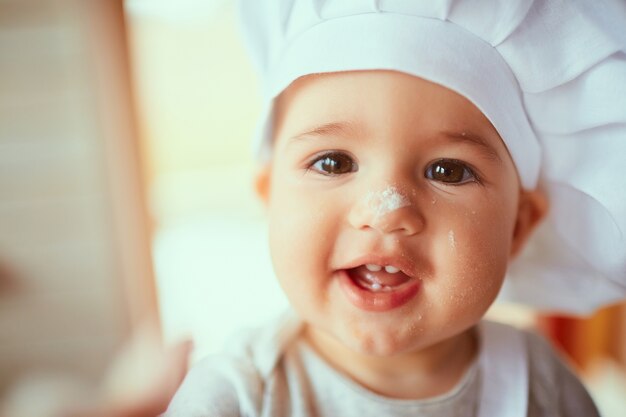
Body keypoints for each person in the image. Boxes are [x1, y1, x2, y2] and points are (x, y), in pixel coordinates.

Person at [165, 0, 626, 416]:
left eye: (447, 171)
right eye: (333, 163)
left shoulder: (543, 388)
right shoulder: (235, 398)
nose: (386, 210)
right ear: (269, 197)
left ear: (517, 227)